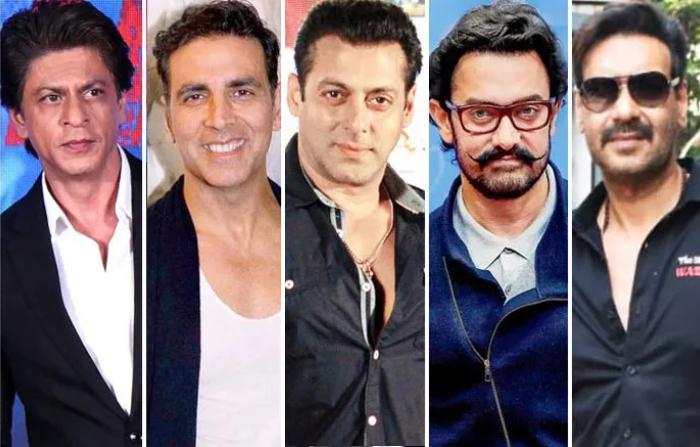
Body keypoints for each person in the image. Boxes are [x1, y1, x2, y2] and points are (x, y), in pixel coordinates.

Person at [0, 1, 142, 445]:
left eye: (93, 92)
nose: (76, 117)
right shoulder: (4, 254)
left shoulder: (186, 210)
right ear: (19, 119)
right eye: (51, 97)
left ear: (122, 101)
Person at [428, 1, 568, 445]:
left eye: (527, 112)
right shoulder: (407, 258)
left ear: (554, 114)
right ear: (444, 120)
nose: (506, 139)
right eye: (481, 114)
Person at [285, 0, 424, 445]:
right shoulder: (254, 220)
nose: (357, 122)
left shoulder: (440, 230)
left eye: (379, 100)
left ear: (407, 108)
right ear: (296, 95)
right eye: (335, 94)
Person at [147, 1, 281, 445]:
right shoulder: (135, 256)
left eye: (241, 91)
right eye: (195, 95)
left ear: (275, 105)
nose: (219, 119)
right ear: (169, 119)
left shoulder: (333, 237)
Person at [572, 2, 700, 445]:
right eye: (601, 90)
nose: (624, 110)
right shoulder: (552, 253)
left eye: (648, 87)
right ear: (580, 110)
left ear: (680, 101)